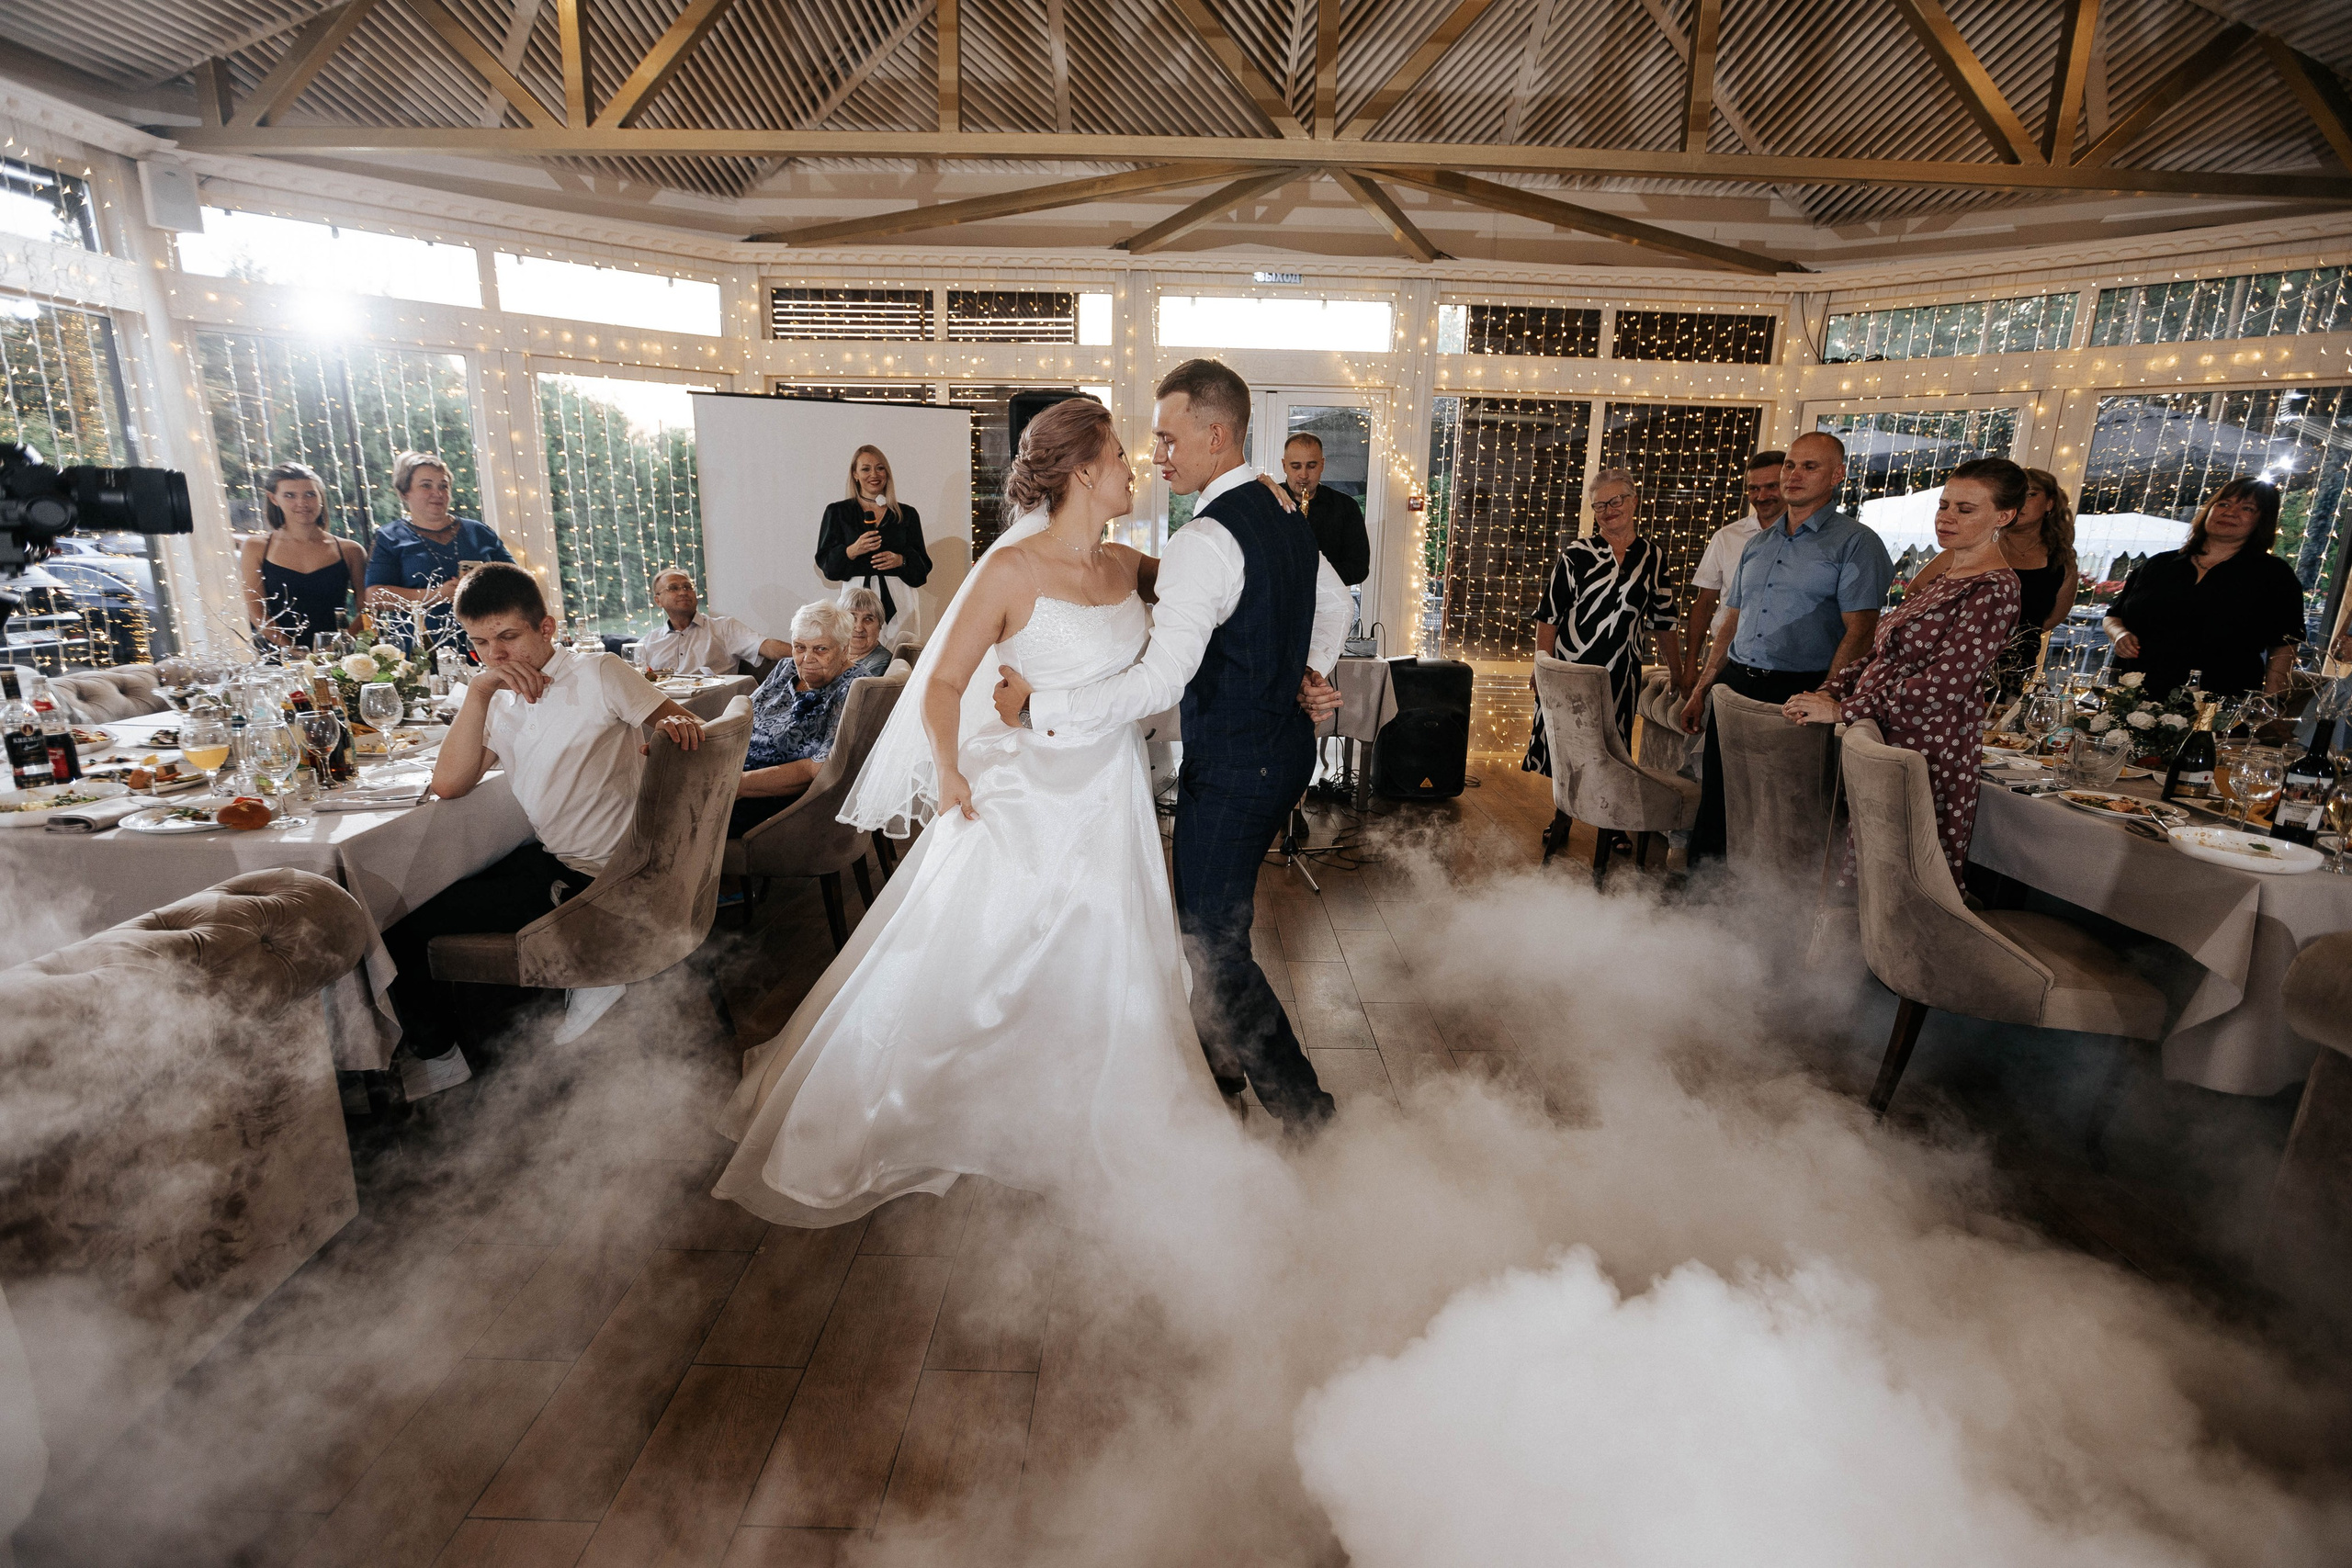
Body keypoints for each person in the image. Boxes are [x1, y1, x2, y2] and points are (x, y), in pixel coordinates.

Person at [715, 391, 1320, 1225]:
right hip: (1026, 796)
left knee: (1106, 957)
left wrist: (1297, 669)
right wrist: (948, 769)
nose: (1133, 466)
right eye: (1118, 455)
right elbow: (944, 685)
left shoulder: (1127, 565)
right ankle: (922, 1098)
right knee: (981, 964)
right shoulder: (1009, 569)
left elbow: (1227, 613)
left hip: (1110, 790)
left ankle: (1088, 1107)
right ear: (1081, 471)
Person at [997, 360, 1351, 1130]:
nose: (1155, 454)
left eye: (1166, 437)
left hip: (1234, 771)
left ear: (1215, 435)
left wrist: (1041, 709)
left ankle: (1307, 1111)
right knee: (1212, 925)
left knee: (1212, 945)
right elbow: (1337, 598)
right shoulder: (1283, 505)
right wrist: (1310, 667)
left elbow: (1159, 684)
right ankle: (1216, 1063)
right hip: (1288, 754)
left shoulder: (1204, 540)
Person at [381, 564, 707, 1073]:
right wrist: (479, 692)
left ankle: (445, 1064)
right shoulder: (494, 694)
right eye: (480, 642)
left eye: (508, 637)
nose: (495, 655)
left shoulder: (598, 673)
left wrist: (663, 745)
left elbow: (690, 728)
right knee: (403, 920)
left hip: (603, 876)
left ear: (546, 628)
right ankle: (456, 1051)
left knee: (403, 933)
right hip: (558, 859)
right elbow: (449, 785)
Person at [1781, 457, 2025, 888]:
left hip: (1925, 743)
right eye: (1944, 505)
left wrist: (1844, 711)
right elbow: (1883, 655)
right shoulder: (1946, 573)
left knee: (1896, 870)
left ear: (2003, 516)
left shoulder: (1994, 587)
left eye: (1965, 510)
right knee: (1860, 857)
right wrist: (1828, 692)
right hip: (1880, 730)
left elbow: (1943, 685)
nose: (1947, 518)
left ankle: (1884, 956)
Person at [1681, 431, 1893, 864]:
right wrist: (1704, 686)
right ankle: (1698, 900)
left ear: (1837, 476)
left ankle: (1775, 911)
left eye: (1809, 467)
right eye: (1790, 466)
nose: (1793, 476)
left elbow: (1861, 630)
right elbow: (1732, 622)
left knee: (1789, 806)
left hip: (1801, 691)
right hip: (1736, 684)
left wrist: (1828, 692)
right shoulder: (1759, 543)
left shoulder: (1856, 542)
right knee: (1719, 794)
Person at [1521, 468, 1679, 786]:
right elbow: (1548, 616)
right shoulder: (1576, 555)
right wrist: (1543, 667)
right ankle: (1563, 815)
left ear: (1634, 502)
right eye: (1600, 505)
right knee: (1568, 745)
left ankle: (1613, 826)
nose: (1609, 511)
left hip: (1621, 674)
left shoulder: (1654, 557)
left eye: (1616, 501)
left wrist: (1678, 671)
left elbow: (1664, 621)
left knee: (1615, 746)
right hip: (1571, 669)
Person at [2105, 477, 2302, 701]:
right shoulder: (2159, 564)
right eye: (2224, 504)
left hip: (2218, 701)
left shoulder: (2274, 575)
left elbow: (2285, 645)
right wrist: (2120, 634)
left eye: (2247, 508)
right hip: (2134, 698)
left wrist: (2271, 704)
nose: (2230, 512)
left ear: (2261, 521)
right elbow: (2113, 616)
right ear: (2208, 511)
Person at [1906, 466, 2077, 700]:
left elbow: (2052, 617)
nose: (2022, 502)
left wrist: (2007, 637)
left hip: (2015, 668)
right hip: (1951, 666)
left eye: (2031, 495)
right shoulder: (1976, 548)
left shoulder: (2060, 559)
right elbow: (1916, 593)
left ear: (2050, 503)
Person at [730, 600, 863, 838]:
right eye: (800, 647)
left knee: (686, 817)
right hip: (737, 774)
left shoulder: (852, 687)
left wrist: (735, 784)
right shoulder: (785, 669)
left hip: (781, 800)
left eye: (821, 649)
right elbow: (743, 719)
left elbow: (818, 768)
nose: (807, 659)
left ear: (844, 649)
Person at [362, 451, 514, 649]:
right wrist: (435, 594)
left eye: (443, 486)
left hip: (487, 644)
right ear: (404, 492)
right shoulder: (390, 537)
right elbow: (375, 596)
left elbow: (517, 582)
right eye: (426, 485)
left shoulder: (478, 531)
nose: (438, 493)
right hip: (421, 649)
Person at [1676, 451, 1784, 694]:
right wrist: (1690, 665)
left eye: (1771, 486)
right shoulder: (1727, 537)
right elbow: (1704, 604)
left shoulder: (1810, 543)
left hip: (1784, 665)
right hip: (1724, 659)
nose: (1762, 496)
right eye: (1754, 488)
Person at [239, 461, 368, 648]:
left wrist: (338, 647)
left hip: (340, 660)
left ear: (321, 497)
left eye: (310, 494)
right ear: (273, 498)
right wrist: (292, 651)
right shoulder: (256, 547)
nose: (302, 503)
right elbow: (256, 613)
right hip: (280, 660)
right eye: (290, 495)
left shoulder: (351, 550)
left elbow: (368, 611)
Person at [815, 446, 933, 640]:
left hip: (899, 597)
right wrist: (852, 550)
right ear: (855, 474)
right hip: (856, 596)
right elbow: (828, 566)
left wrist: (901, 560)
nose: (874, 474)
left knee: (900, 655)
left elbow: (922, 569)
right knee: (856, 653)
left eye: (880, 468)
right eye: (866, 469)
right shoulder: (838, 512)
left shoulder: (906, 514)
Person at [638, 567, 786, 675]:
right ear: (658, 600)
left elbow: (767, 647)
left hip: (715, 712)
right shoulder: (648, 643)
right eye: (674, 588)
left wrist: (804, 652)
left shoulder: (724, 628)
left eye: (687, 587)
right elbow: (631, 678)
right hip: (663, 713)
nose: (683, 592)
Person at [1282, 431, 1371, 587]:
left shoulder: (1346, 507)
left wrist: (1312, 575)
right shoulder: (1266, 503)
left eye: (1311, 466)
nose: (1303, 475)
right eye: (1296, 466)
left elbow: (1359, 568)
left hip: (1329, 604)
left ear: (1322, 464)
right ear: (1284, 466)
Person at [842, 585, 895, 679]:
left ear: (880, 625)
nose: (859, 628)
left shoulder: (880, 665)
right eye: (852, 618)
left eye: (868, 619)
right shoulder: (834, 653)